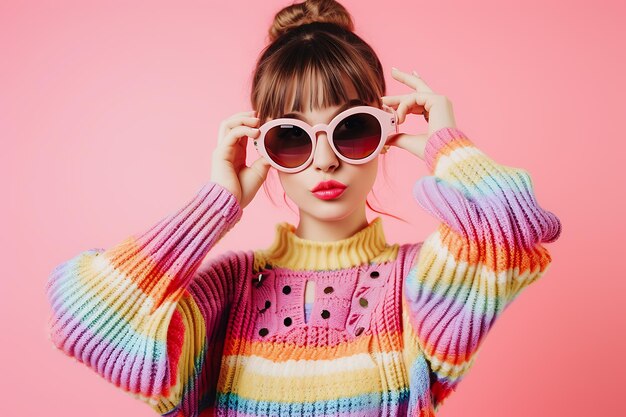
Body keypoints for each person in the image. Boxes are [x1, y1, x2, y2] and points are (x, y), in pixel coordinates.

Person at [44, 0, 562, 416]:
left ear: (383, 133)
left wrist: (446, 143)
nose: (325, 161)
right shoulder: (230, 289)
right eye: (292, 138)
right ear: (263, 148)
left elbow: (513, 236)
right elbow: (82, 318)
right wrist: (214, 206)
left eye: (352, 129)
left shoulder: (420, 283)